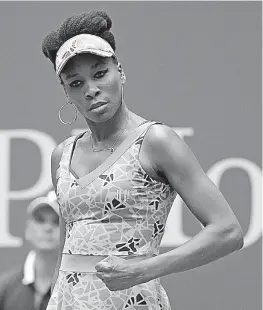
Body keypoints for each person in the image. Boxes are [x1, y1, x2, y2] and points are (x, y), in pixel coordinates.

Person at [41, 11, 244, 310]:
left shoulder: (155, 141)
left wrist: (144, 269)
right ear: (66, 92)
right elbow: (66, 252)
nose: (91, 90)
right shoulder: (62, 155)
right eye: (75, 83)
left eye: (99, 74)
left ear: (119, 71)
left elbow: (228, 231)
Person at [0, 191, 60, 310]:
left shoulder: (80, 287)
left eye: (57, 221)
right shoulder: (4, 286)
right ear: (28, 229)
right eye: (40, 220)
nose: (48, 228)